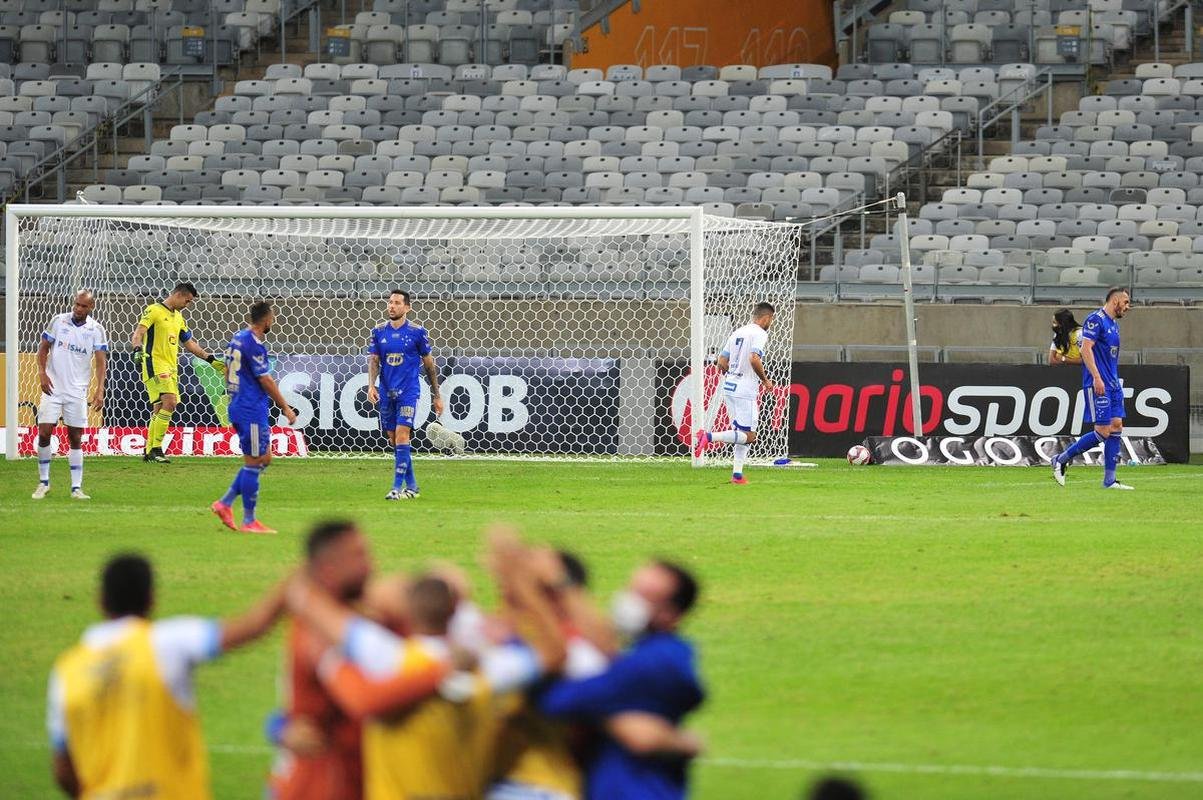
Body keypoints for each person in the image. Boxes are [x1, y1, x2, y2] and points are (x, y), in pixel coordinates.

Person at [285, 526, 567, 800]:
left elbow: (310, 603)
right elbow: (554, 654)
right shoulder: (489, 668)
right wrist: (519, 580)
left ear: (407, 611)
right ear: (457, 610)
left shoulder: (386, 658)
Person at [46, 553, 287, 799]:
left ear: (101, 601)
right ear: (151, 599)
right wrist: (293, 586)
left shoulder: (65, 671)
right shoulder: (166, 643)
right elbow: (252, 627)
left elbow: (63, 770)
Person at [539, 560, 706, 800]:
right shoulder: (653, 654)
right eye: (633, 590)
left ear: (670, 614)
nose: (630, 601)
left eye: (645, 595)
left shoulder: (654, 662)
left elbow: (559, 700)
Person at [269, 520, 374, 800]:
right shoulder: (314, 637)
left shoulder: (361, 617)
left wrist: (276, 727)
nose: (371, 565)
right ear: (328, 570)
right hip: (312, 786)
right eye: (359, 555)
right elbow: (366, 700)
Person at [211, 301, 297, 534]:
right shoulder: (254, 344)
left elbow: (228, 371)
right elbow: (266, 380)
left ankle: (225, 503)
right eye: (273, 318)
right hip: (250, 408)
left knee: (264, 457)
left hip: (239, 404)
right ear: (268, 320)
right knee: (255, 462)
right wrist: (285, 407)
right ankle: (249, 521)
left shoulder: (237, 337)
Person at [130, 282, 224, 463]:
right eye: (187, 301)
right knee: (170, 401)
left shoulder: (179, 318)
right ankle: (157, 449)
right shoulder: (154, 310)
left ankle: (149, 451)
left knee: (159, 408)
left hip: (171, 367)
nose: (187, 305)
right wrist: (136, 349)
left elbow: (189, 344)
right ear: (179, 295)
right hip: (154, 364)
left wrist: (210, 359)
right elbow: (138, 334)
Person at [1051, 288, 1134, 490]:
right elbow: (1085, 349)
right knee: (1103, 431)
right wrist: (1097, 377)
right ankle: (1061, 459)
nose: (1128, 307)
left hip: (1113, 384)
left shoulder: (1113, 324)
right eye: (1126, 302)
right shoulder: (1095, 320)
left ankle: (1109, 481)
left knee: (1116, 427)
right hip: (1098, 383)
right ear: (1115, 301)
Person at [366, 289, 443, 500]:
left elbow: (429, 365)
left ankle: (395, 488)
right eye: (390, 302)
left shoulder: (417, 332)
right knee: (394, 439)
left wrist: (437, 394)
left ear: (407, 307)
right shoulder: (379, 331)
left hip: (408, 392)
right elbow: (374, 361)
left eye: (397, 303)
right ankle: (413, 486)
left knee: (402, 435)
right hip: (386, 392)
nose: (391, 306)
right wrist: (371, 385)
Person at [32, 290, 107, 500]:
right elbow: (43, 348)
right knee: (45, 432)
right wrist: (42, 373)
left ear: (90, 308)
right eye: (76, 304)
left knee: (75, 437)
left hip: (77, 391)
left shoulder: (96, 330)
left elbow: (101, 362)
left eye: (83, 306)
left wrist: (100, 389)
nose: (78, 309)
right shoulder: (58, 321)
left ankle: (76, 488)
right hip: (53, 388)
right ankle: (43, 482)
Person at [693, 302, 777, 484]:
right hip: (745, 390)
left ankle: (737, 475)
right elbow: (754, 358)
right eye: (771, 320)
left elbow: (721, 361)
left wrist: (732, 373)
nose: (771, 323)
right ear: (766, 318)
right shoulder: (760, 333)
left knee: (740, 432)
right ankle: (708, 437)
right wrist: (765, 380)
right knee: (750, 436)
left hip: (729, 387)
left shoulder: (738, 332)